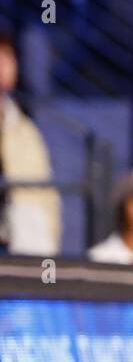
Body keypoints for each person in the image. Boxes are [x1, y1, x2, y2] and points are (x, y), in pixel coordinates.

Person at [0, 29, 60, 255]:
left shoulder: (25, 131)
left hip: (23, 253)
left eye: (8, 56)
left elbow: (46, 198)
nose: (3, 65)